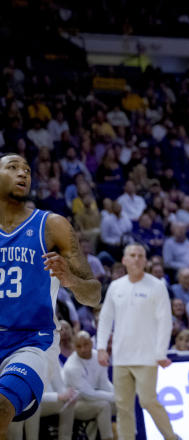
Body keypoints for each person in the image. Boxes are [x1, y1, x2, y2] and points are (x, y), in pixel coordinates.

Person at [0, 153, 101, 434]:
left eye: (27, 170)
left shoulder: (52, 225)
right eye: (13, 167)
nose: (23, 174)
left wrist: (70, 279)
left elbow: (94, 295)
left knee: (1, 406)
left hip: (31, 340)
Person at [96, 243, 177, 440]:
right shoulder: (115, 287)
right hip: (121, 356)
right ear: (124, 260)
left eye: (141, 255)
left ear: (146, 261)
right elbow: (105, 318)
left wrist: (160, 352)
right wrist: (100, 347)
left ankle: (172, 437)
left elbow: (165, 321)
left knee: (148, 401)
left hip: (147, 357)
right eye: (132, 255)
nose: (137, 258)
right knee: (123, 407)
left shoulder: (157, 286)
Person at [62, 331, 115, 440]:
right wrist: (114, 397)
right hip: (73, 404)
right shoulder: (71, 366)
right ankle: (107, 437)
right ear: (74, 347)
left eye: (86, 344)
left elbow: (104, 382)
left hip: (92, 397)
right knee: (104, 405)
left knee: (123, 403)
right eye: (79, 346)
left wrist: (116, 394)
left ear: (91, 343)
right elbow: (88, 394)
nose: (83, 349)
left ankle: (129, 435)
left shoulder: (98, 357)